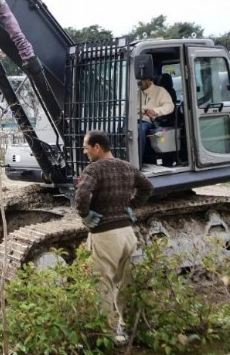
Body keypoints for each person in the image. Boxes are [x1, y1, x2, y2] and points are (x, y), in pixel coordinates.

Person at [76, 130, 154, 345]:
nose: (85, 152)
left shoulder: (93, 169)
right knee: (124, 283)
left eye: (86, 147)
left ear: (97, 147)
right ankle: (128, 328)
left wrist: (85, 215)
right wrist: (131, 206)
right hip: (128, 234)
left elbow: (81, 196)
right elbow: (147, 187)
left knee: (103, 284)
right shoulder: (127, 167)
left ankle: (104, 337)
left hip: (105, 235)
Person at [137, 76, 174, 166]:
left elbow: (169, 106)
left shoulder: (160, 91)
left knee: (139, 129)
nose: (139, 83)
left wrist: (155, 111)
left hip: (150, 121)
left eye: (141, 80)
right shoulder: (137, 92)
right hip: (134, 119)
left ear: (149, 80)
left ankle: (138, 162)